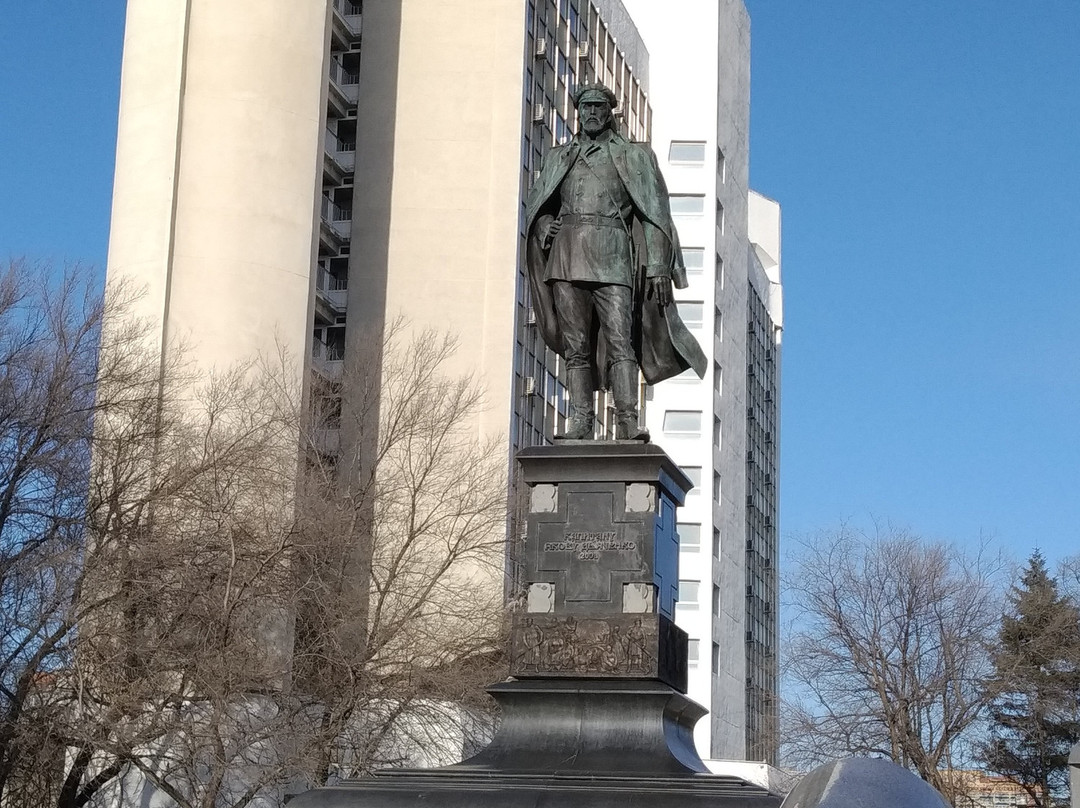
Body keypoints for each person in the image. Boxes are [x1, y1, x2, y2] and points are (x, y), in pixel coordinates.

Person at [524, 83, 706, 440]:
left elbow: (655, 213)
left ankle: (626, 420)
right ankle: (580, 422)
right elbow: (539, 207)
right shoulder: (559, 157)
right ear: (578, 112)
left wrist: (657, 266)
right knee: (576, 347)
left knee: (621, 342)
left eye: (598, 107)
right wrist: (545, 224)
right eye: (585, 107)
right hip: (566, 257)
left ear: (610, 112)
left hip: (614, 258)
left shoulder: (634, 156)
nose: (591, 113)